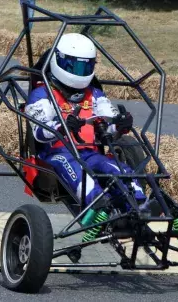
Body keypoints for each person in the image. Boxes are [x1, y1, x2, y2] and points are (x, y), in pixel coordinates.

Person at [25, 33, 147, 217]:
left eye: (86, 67)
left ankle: (139, 205)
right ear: (60, 61)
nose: (80, 72)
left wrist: (120, 125)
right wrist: (62, 125)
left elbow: (108, 126)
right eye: (75, 66)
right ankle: (99, 208)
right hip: (56, 155)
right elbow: (39, 132)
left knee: (114, 168)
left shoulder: (95, 94)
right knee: (78, 171)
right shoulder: (43, 94)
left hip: (89, 152)